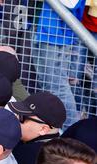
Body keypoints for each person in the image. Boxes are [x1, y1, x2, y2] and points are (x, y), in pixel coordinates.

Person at [31, 0, 86, 129]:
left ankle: (72, 131)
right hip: (46, 30)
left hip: (56, 34)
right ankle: (56, 129)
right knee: (48, 85)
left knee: (58, 88)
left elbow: (72, 3)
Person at [9, 92, 66, 164]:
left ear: (43, 129)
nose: (16, 118)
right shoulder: (61, 145)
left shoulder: (26, 156)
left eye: (22, 117)